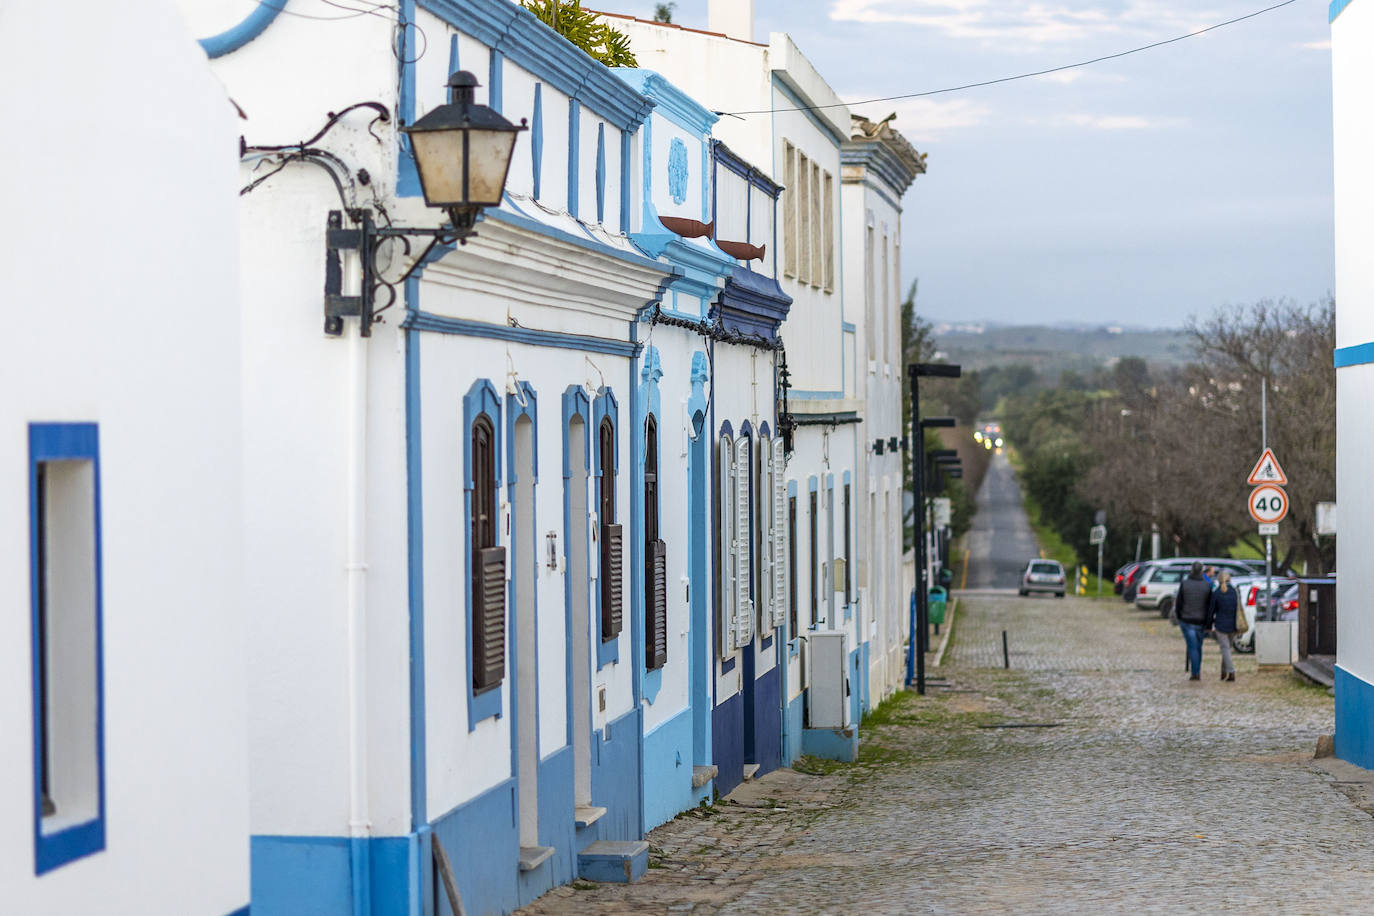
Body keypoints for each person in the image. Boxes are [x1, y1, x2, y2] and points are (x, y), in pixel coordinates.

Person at [1173, 561, 1213, 681]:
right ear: (1202, 571)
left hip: (1187, 620)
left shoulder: (1185, 584)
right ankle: (1197, 669)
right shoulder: (1207, 585)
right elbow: (1210, 606)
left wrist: (1179, 616)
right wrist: (1209, 622)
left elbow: (1179, 603)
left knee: (1192, 646)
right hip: (1201, 621)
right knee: (1198, 646)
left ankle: (1195, 672)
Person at [1206, 570, 1239, 682]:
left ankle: (1231, 671)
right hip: (1234, 625)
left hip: (1221, 625)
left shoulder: (1217, 592)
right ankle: (1223, 672)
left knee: (1225, 649)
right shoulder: (1234, 591)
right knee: (1227, 649)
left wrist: (1208, 625)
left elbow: (1211, 610)